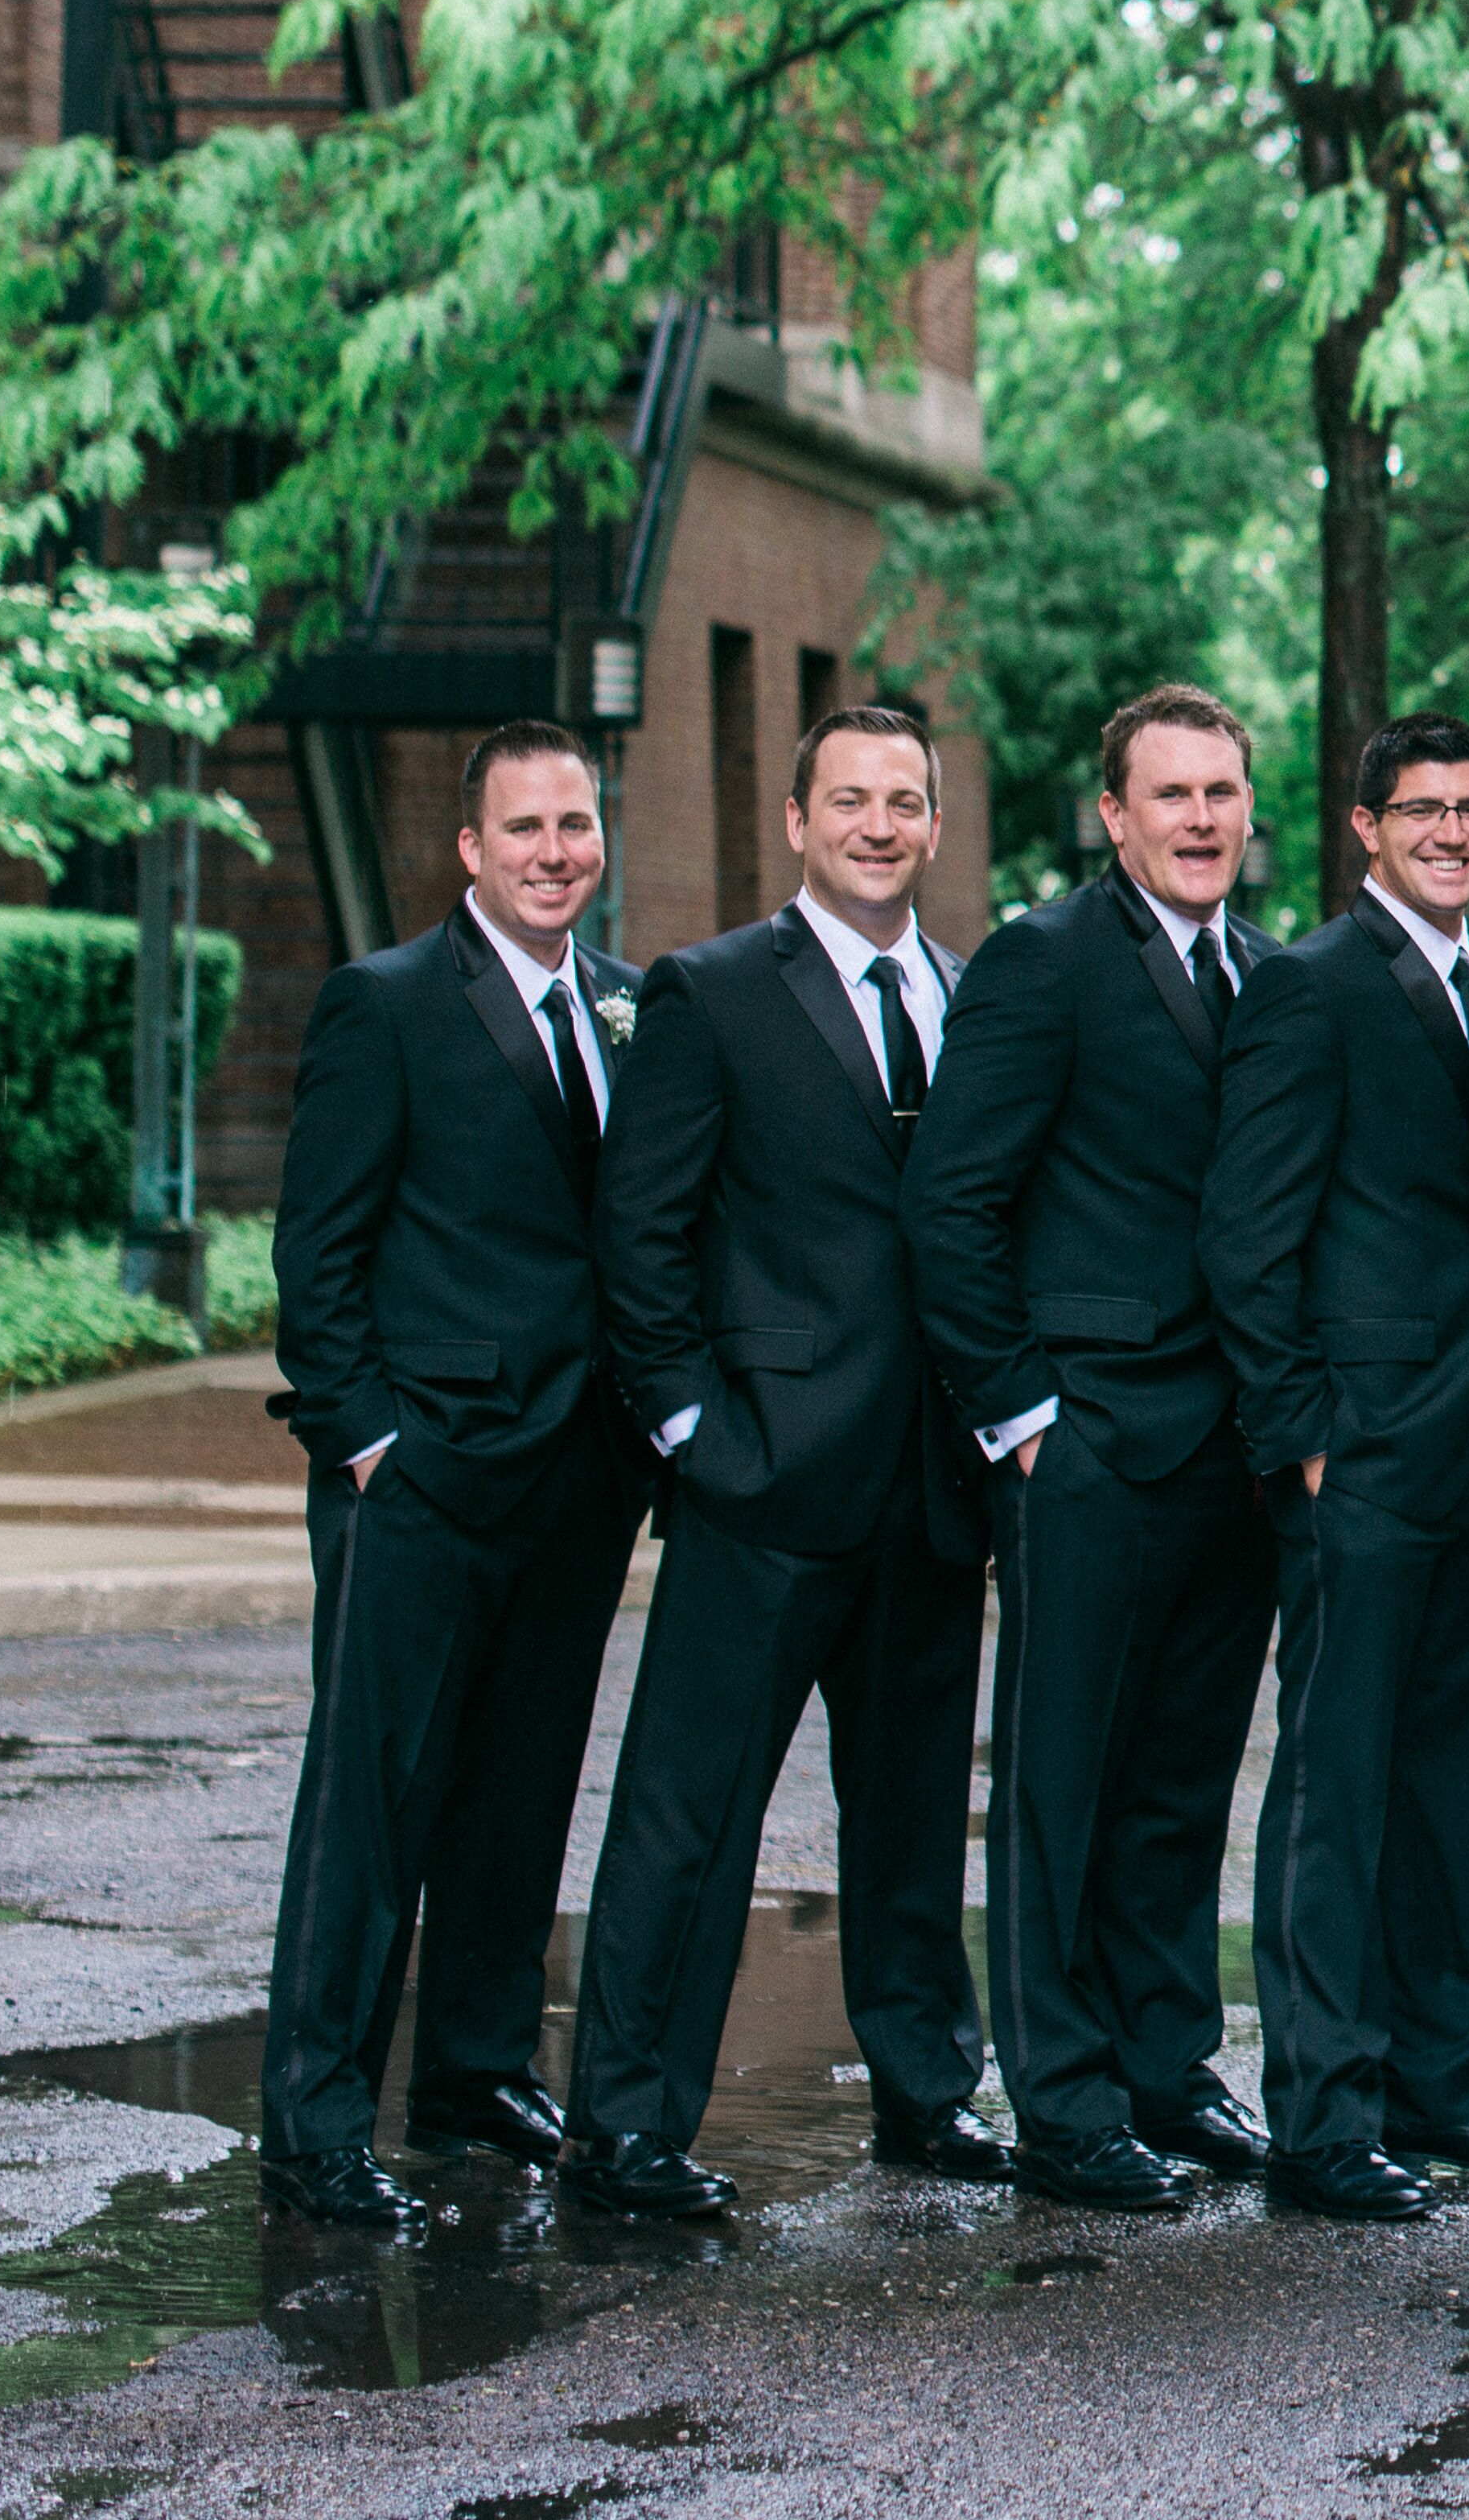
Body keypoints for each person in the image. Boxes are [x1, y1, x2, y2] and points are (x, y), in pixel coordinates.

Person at [566, 705, 1002, 2217]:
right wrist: (694, 1427)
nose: (880, 824)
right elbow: (642, 1231)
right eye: (852, 799)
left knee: (907, 1813)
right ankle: (624, 2123)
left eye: (906, 801)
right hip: (763, 1478)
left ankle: (928, 2091)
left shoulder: (968, 991)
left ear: (935, 826)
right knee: (689, 1815)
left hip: (932, 1485)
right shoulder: (709, 990)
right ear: (799, 820)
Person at [257, 718, 656, 2230]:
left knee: (517, 1786)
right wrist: (366, 1440)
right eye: (527, 827)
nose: (558, 850)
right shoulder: (387, 1002)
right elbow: (320, 1248)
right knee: (373, 1805)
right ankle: (313, 2122)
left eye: (577, 823)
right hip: (419, 1471)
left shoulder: (630, 1003)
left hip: (575, 1476)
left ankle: (477, 2068)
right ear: (471, 849)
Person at [902, 684, 1285, 2212]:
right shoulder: (1043, 960)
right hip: (1091, 1439)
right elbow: (951, 1200)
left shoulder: (1264, 972)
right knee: (1063, 1773)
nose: (1201, 817)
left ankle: (1165, 2061)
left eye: (1223, 792)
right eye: (1171, 793)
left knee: (1184, 1774)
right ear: (1113, 814)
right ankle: (1061, 2097)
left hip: (1230, 1443)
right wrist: (1023, 1411)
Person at [1200, 711, 1469, 2223]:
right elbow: (1249, 1226)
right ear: (1364, 826)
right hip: (1355, 1452)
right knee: (1336, 1787)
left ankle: (1447, 2081)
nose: (1449, 831)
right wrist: (1296, 1432)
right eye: (1419, 809)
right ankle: (1321, 2113)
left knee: (1448, 1787)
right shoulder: (1309, 983)